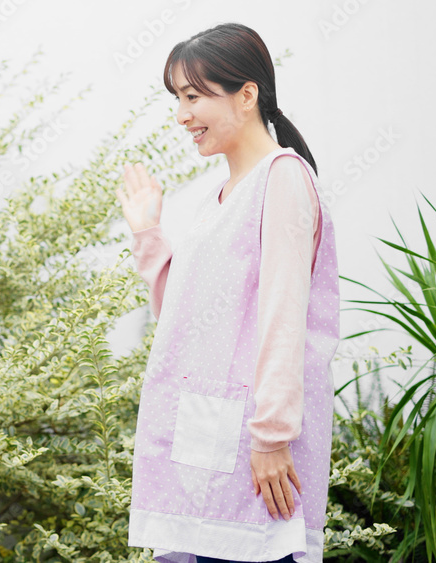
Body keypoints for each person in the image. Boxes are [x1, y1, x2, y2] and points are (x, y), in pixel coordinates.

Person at [116, 23, 338, 563]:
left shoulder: (282, 177)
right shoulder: (221, 195)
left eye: (193, 97)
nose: (181, 115)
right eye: (177, 99)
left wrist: (271, 437)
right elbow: (185, 323)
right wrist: (148, 233)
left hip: (254, 458)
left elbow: (284, 317)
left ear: (246, 94)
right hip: (209, 457)